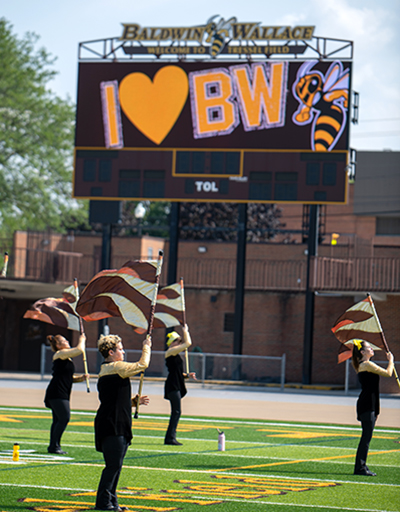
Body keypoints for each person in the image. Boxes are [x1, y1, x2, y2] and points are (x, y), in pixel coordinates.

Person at [95, 333, 151, 511]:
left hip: (117, 421)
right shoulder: (116, 367)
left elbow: (114, 398)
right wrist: (146, 346)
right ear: (111, 352)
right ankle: (103, 503)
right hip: (112, 423)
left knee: (116, 466)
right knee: (113, 466)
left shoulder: (111, 370)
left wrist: (133, 402)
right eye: (120, 349)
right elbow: (142, 365)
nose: (124, 352)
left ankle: (112, 502)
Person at [352, 339, 394, 476]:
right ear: (362, 352)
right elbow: (388, 373)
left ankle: (361, 466)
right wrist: (391, 360)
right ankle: (360, 467)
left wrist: (376, 409)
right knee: (366, 437)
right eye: (369, 348)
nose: (372, 350)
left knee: (366, 437)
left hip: (370, 403)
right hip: (367, 404)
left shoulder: (365, 365)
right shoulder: (367, 365)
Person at [44, 333, 88, 454]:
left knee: (58, 419)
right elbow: (79, 349)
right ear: (58, 345)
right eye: (64, 340)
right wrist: (82, 339)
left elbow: (68, 377)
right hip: (57, 391)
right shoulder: (60, 354)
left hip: (61, 391)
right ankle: (54, 445)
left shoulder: (66, 357)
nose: (67, 341)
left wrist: (81, 378)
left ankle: (53, 446)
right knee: (64, 418)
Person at [164, 324, 196, 446]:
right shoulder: (170, 351)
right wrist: (185, 331)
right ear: (172, 342)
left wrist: (187, 375)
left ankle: (170, 437)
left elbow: (177, 372)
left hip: (176, 383)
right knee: (176, 412)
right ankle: (170, 438)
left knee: (176, 412)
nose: (179, 343)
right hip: (172, 385)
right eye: (177, 341)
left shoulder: (175, 354)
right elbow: (188, 343)